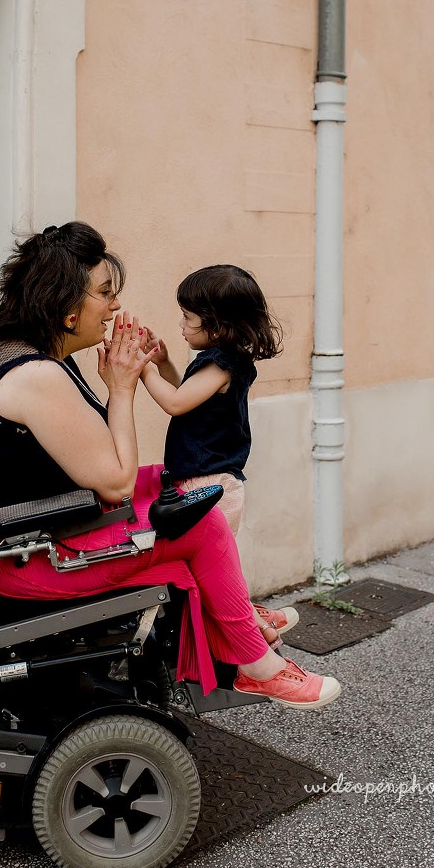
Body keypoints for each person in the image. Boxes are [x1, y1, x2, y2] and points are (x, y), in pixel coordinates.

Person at [0, 222, 340, 710]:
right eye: (105, 293)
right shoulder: (36, 376)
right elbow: (116, 478)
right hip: (31, 559)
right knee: (202, 521)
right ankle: (255, 664)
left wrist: (120, 384)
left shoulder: (22, 358)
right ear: (66, 308)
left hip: (38, 535)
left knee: (176, 489)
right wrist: (122, 388)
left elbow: (107, 468)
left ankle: (238, 627)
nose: (115, 305)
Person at [140, 264, 299, 647]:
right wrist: (163, 363)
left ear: (215, 323)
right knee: (216, 568)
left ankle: (257, 640)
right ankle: (255, 620)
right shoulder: (225, 360)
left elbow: (177, 403)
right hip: (212, 480)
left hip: (207, 484)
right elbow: (190, 396)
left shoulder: (221, 363)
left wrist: (141, 372)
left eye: (187, 317)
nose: (181, 325)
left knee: (212, 573)